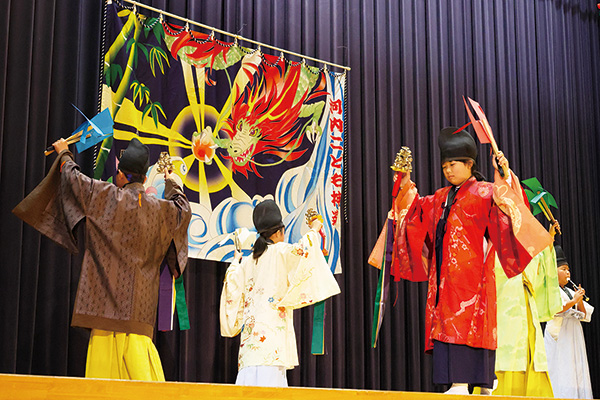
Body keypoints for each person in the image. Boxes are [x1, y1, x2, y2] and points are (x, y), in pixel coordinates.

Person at [370, 127, 552, 394]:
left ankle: (472, 382)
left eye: (453, 164)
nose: (448, 170)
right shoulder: (441, 197)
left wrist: (504, 175)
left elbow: (511, 206)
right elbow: (415, 211)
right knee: (448, 325)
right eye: (444, 165)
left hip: (473, 277)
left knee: (469, 324)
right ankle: (463, 382)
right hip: (445, 279)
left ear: (469, 164)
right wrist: (405, 183)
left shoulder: (484, 192)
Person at [13, 137, 191, 381]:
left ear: (120, 175)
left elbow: (74, 179)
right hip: (139, 320)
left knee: (101, 390)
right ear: (145, 178)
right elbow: (182, 208)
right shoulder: (162, 210)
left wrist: (64, 153)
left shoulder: (105, 196)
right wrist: (171, 181)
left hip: (103, 316)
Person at [220, 199, 341, 387]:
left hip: (249, 349)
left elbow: (233, 287)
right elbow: (304, 249)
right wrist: (315, 228)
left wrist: (236, 262)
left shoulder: (247, 262)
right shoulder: (279, 252)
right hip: (271, 348)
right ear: (278, 232)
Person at [491, 221, 562, 396]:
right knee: (507, 348)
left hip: (526, 300)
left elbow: (540, 262)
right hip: (506, 303)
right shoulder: (496, 243)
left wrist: (549, 239)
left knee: (531, 348)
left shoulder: (526, 244)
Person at [544, 245, 594, 399]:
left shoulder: (570, 291)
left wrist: (578, 300)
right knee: (561, 368)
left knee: (576, 367)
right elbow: (555, 309)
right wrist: (574, 300)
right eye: (563, 269)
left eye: (568, 270)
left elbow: (583, 315)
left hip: (573, 335)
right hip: (559, 335)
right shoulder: (549, 289)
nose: (567, 273)